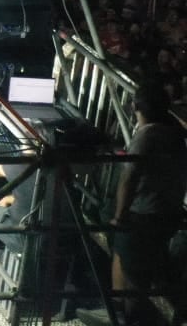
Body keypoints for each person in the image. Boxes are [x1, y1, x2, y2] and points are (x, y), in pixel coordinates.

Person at [78, 83, 187, 326]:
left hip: (145, 214)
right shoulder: (176, 133)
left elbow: (130, 177)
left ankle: (127, 317)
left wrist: (119, 215)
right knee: (127, 254)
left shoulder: (148, 134)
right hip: (169, 212)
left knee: (134, 274)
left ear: (134, 106)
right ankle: (119, 309)